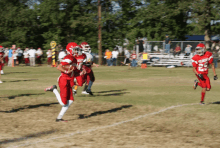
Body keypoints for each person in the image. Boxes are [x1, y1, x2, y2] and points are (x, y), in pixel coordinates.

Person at [45, 42, 80, 122]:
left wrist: (80, 74)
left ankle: (59, 118)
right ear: (70, 50)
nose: (76, 51)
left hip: (69, 80)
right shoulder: (68, 57)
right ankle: (53, 89)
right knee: (63, 103)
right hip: (63, 80)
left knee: (70, 100)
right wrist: (66, 71)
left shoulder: (74, 59)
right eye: (75, 49)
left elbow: (75, 71)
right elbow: (59, 67)